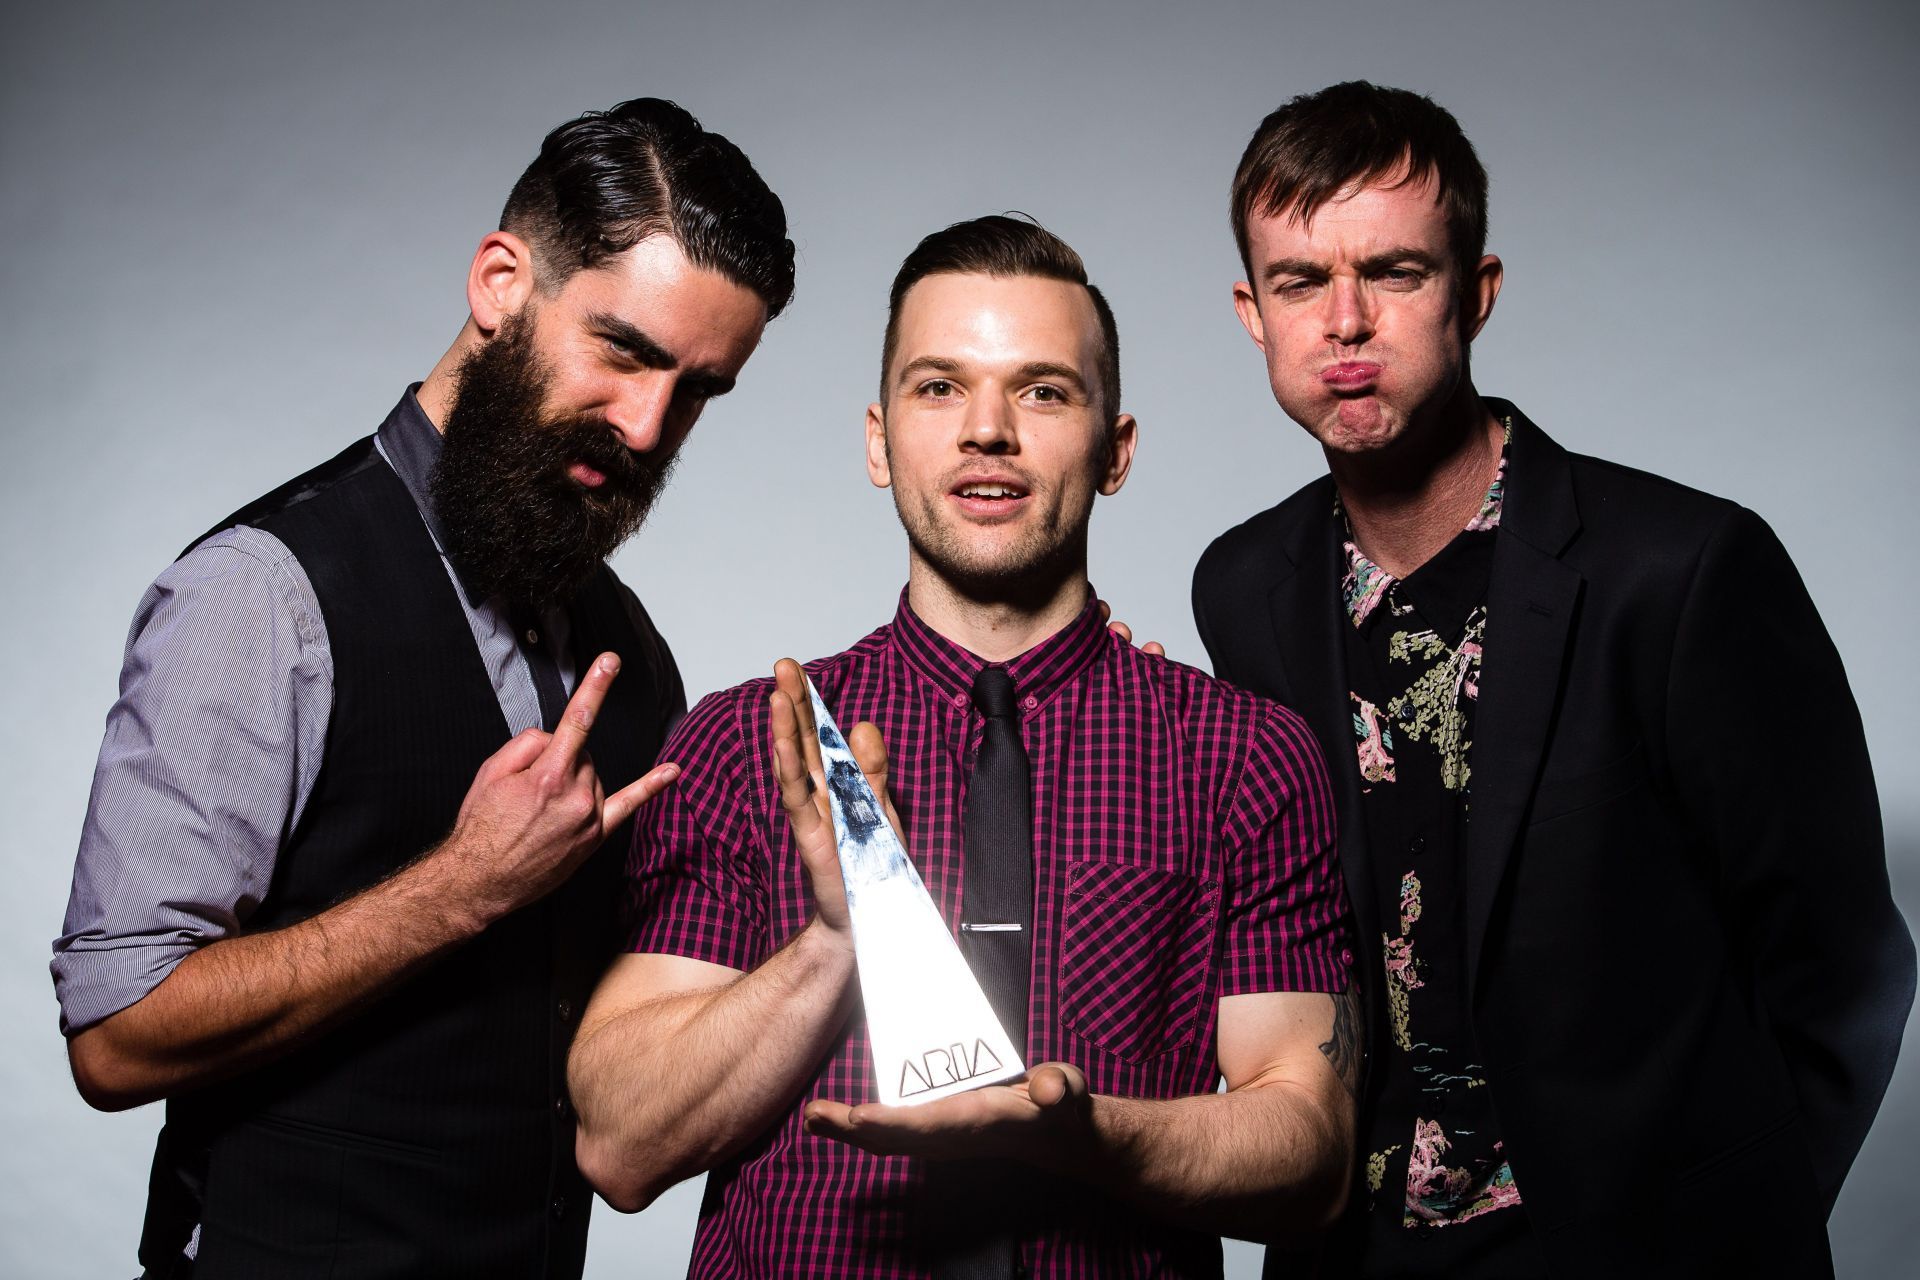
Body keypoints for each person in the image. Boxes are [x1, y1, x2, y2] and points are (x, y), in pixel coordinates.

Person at [51, 97, 794, 1279]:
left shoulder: (631, 652)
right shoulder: (263, 592)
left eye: (700, 388)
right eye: (624, 349)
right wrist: (458, 886)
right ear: (503, 283)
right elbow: (115, 1031)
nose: (650, 425)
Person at [1192, 80, 1916, 1277]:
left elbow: (1842, 960)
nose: (1347, 321)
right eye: (1301, 281)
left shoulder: (1681, 571)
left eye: (1398, 271)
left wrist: (1743, 1218)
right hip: (1355, 1252)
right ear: (1252, 312)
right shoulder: (1244, 586)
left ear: (1475, 294)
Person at [567, 215, 1359, 1278]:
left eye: (1043, 390)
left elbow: (1313, 1153)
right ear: (879, 440)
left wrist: (1088, 1137)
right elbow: (620, 1142)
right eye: (939, 387)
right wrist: (833, 943)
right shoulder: (751, 740)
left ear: (1115, 449)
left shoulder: (1243, 755)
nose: (989, 430)